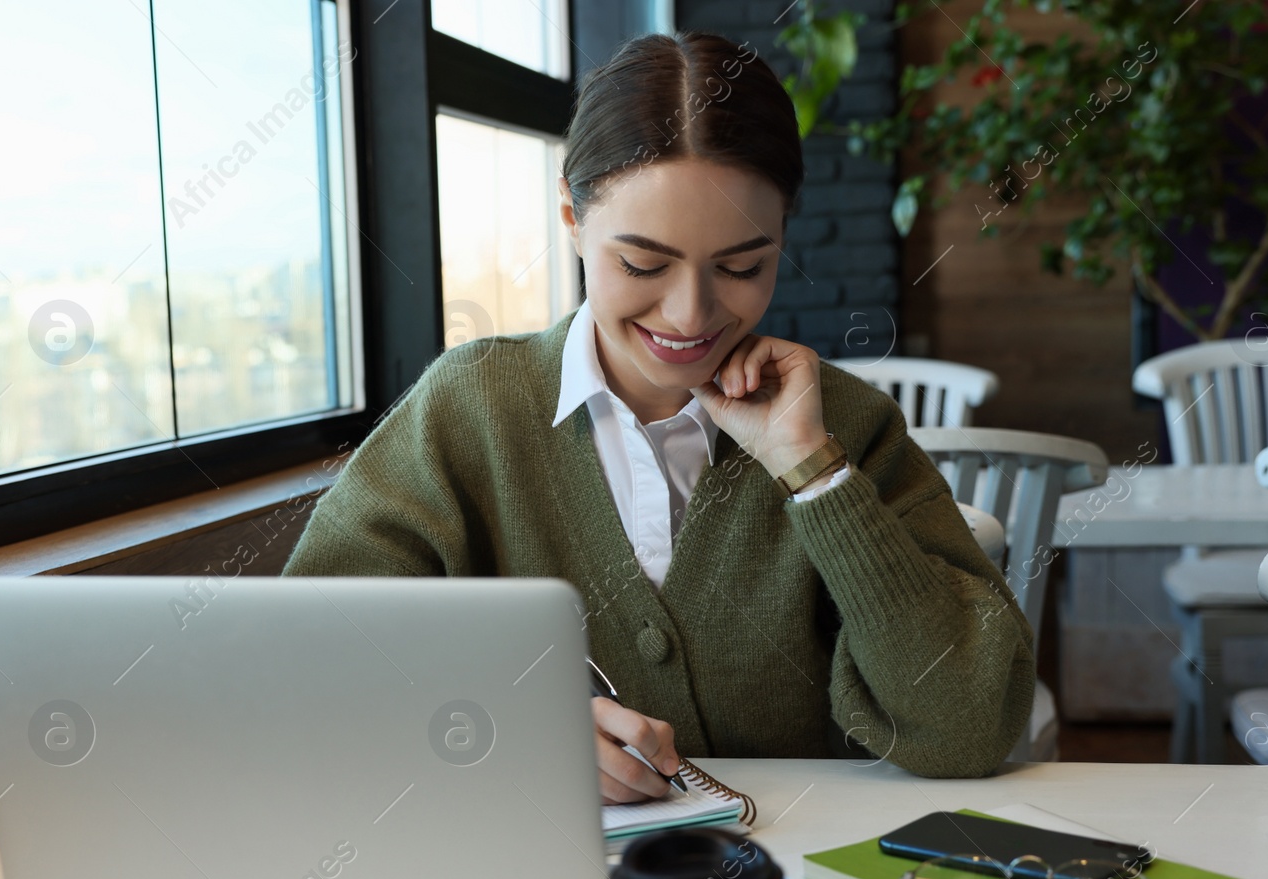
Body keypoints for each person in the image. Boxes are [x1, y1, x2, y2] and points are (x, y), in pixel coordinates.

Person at [282, 30, 1035, 803]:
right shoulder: (469, 409)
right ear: (572, 218)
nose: (690, 313)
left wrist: (815, 474)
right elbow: (301, 664)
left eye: (743, 267)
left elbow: (968, 726)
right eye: (642, 264)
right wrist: (523, 727)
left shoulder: (848, 425)